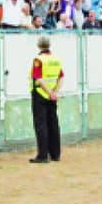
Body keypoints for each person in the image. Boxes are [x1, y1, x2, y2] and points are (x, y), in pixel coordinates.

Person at [29, 35, 63, 164]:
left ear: (39, 45)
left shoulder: (38, 59)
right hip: (52, 95)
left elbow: (38, 78)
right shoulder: (56, 59)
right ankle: (55, 154)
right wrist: (54, 92)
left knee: (41, 125)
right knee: (53, 123)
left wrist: (48, 92)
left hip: (40, 94)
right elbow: (61, 77)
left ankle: (43, 155)